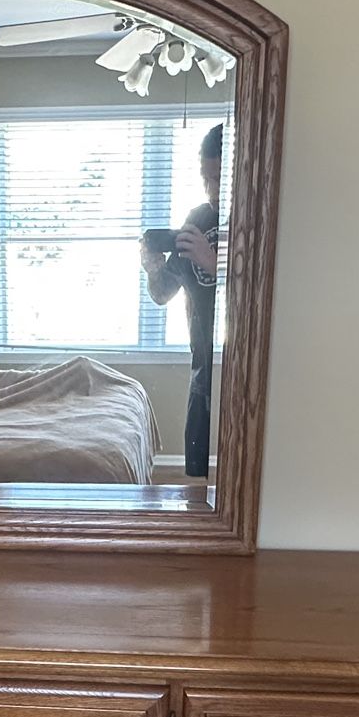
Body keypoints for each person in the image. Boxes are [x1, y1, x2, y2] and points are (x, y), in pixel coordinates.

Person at [139, 123, 223, 478]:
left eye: (218, 177)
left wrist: (214, 263)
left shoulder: (258, 224)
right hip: (202, 369)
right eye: (205, 177)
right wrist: (152, 269)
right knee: (196, 477)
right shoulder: (198, 219)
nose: (211, 188)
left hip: (249, 373)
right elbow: (162, 294)